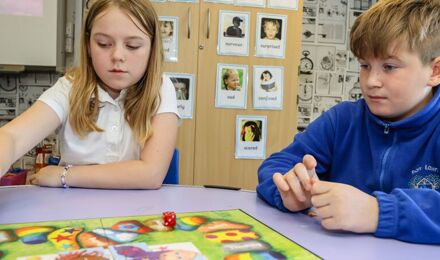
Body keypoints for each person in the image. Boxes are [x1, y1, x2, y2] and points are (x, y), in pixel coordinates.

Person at [257, 0, 440, 244]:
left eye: (389, 67)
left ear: (435, 71)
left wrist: (376, 212)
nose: (371, 81)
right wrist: (289, 191)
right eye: (365, 65)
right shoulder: (342, 120)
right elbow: (277, 165)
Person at [0, 0, 179, 189]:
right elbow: (12, 136)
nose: (117, 55)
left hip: (136, 210)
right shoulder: (69, 87)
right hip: (74, 211)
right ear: (88, 46)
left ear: (152, 48)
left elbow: (150, 174)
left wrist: (64, 175)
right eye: (103, 44)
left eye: (133, 46)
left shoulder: (160, 88)